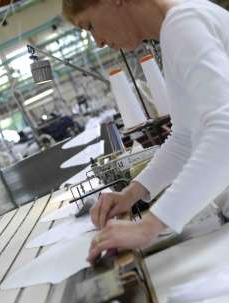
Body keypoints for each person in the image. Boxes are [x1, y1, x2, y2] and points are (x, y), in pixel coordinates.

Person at [62, 0, 229, 263]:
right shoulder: (177, 26)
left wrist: (148, 226)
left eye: (90, 25)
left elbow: (225, 134)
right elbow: (185, 137)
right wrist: (131, 194)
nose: (98, 42)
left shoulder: (183, 23)